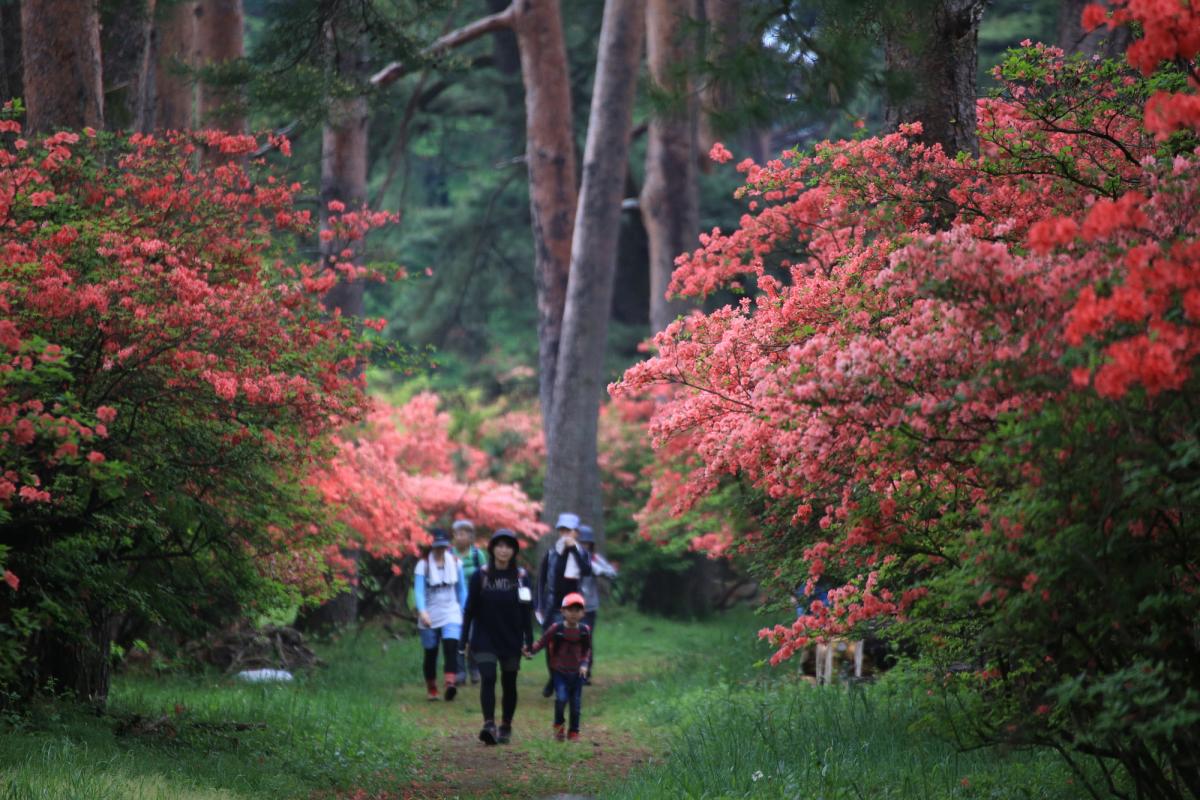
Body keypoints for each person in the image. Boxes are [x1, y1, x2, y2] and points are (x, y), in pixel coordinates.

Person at [461, 529, 534, 745]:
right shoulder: (480, 575)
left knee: (509, 681)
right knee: (489, 677)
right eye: (499, 545)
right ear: (492, 549)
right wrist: (464, 638)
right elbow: (470, 609)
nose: (503, 550)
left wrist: (528, 640)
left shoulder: (521, 577)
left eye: (508, 546)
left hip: (511, 637)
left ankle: (506, 725)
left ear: (514, 551)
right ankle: (489, 724)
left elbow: (526, 609)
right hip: (484, 637)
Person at [535, 512, 592, 697]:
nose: (565, 534)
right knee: (550, 641)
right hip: (554, 603)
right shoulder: (552, 552)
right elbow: (542, 579)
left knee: (571, 641)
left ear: (576, 532)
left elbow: (586, 570)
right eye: (562, 530)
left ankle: (564, 678)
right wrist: (539, 605)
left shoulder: (582, 552)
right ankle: (553, 677)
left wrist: (573, 549)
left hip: (573, 603)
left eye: (569, 530)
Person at [525, 592, 592, 742]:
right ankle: (559, 726)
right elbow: (542, 642)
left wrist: (584, 664)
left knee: (575, 704)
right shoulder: (556, 628)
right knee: (561, 699)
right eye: (570, 610)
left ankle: (574, 731)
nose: (574, 614)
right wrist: (531, 650)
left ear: (583, 613)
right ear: (562, 611)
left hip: (577, 674)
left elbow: (587, 650)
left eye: (577, 610)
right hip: (559, 671)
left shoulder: (584, 631)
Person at [413, 528, 467, 701]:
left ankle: (450, 683)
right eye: (437, 547)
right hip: (430, 611)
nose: (440, 550)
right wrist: (422, 612)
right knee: (431, 653)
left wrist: (465, 611)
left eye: (443, 547)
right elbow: (419, 591)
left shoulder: (455, 563)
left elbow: (461, 590)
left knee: (451, 647)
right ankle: (432, 687)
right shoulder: (423, 565)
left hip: (451, 610)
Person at [577, 524, 617, 682]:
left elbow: (611, 572)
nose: (583, 546)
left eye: (586, 543)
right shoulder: (570, 557)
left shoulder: (595, 558)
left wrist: (599, 570)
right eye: (581, 543)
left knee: (586, 638)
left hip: (589, 605)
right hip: (570, 605)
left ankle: (586, 672)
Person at [452, 519, 487, 685]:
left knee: (473, 637)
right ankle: (459, 671)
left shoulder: (476, 555)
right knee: (458, 637)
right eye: (457, 534)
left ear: (470, 536)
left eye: (463, 534)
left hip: (475, 603)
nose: (460, 537)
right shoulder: (450, 554)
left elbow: (486, 576)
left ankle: (474, 667)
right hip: (453, 603)